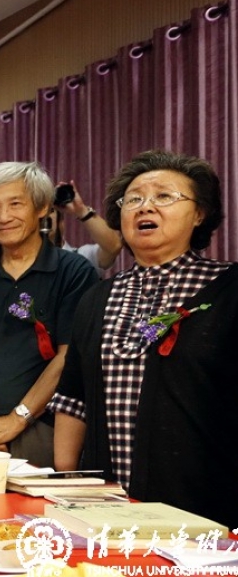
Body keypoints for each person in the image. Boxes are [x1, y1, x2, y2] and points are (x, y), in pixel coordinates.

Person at [51, 151, 236, 526]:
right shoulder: (97, 298)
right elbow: (74, 397)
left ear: (199, 213)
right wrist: (66, 483)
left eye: (164, 196)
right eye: (133, 199)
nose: (144, 206)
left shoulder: (229, 290)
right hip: (106, 508)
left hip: (205, 508)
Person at [0, 162, 97, 467]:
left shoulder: (73, 271)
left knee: (36, 515)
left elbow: (68, 356)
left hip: (42, 429)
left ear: (41, 207)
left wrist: (16, 420)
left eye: (15, 204)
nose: (3, 217)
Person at [47, 180, 123, 278]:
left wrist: (81, 211)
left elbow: (114, 245)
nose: (42, 217)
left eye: (50, 210)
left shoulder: (81, 259)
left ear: (61, 222)